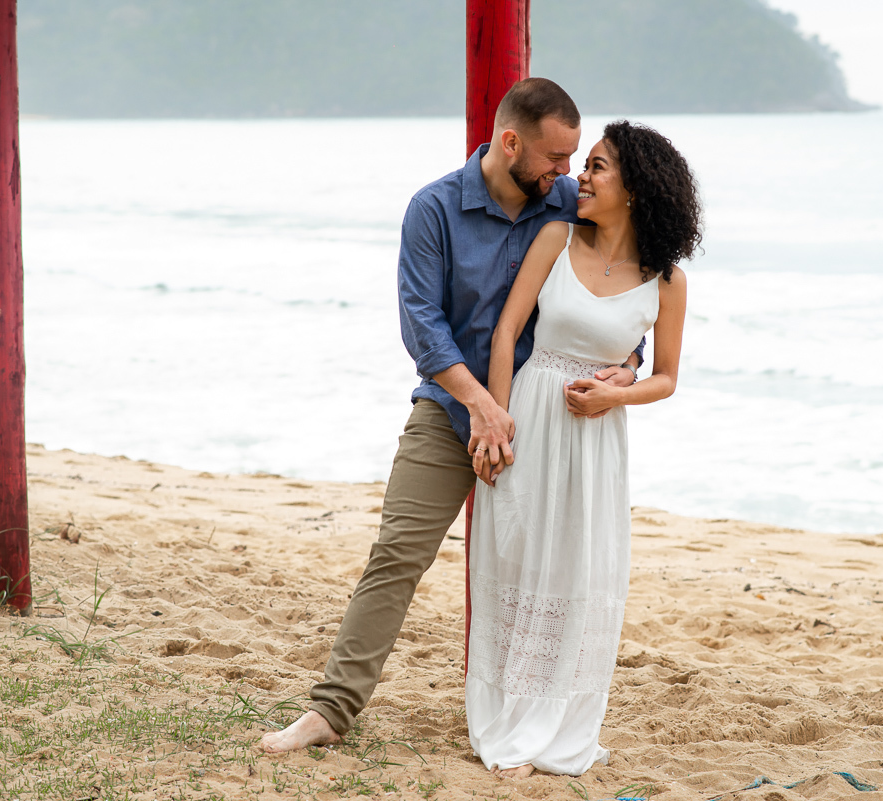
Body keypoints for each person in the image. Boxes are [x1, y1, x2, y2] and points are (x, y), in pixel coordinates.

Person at [259, 78, 642, 754]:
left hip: (546, 430)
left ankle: (533, 722)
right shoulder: (433, 209)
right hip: (451, 413)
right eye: (556, 157)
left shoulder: (564, 204)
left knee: (547, 579)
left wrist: (631, 364)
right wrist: (481, 405)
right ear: (509, 141)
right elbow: (424, 328)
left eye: (576, 158)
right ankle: (329, 711)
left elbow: (625, 280)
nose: (567, 173)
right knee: (397, 555)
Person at [465, 120, 702, 778]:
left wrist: (613, 396)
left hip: (596, 438)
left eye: (597, 167)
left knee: (576, 572)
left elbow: (667, 377)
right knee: (514, 558)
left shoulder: (667, 282)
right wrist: (496, 425)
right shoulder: (554, 238)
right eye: (583, 165)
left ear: (636, 187)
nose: (581, 178)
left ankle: (557, 722)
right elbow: (508, 330)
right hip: (531, 414)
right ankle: (507, 719)